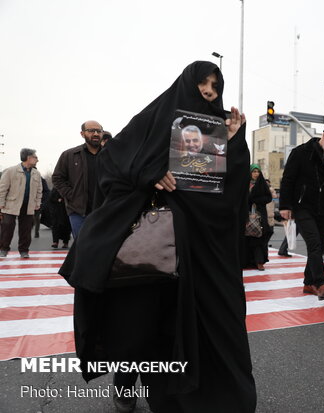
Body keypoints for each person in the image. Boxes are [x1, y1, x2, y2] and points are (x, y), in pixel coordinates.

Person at [59, 61, 256, 412]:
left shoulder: (220, 127)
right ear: (186, 83)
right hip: (158, 244)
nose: (209, 90)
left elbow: (231, 192)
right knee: (148, 325)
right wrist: (150, 172)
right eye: (202, 83)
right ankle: (129, 381)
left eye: (215, 84)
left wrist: (235, 142)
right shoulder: (155, 118)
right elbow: (113, 163)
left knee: (207, 324)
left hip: (205, 251)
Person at [279, 124, 324, 299]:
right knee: (314, 244)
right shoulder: (301, 152)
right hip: (302, 207)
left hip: (323, 209)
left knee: (319, 246)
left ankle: (308, 283)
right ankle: (320, 283)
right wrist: (285, 206)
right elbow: (288, 179)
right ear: (323, 136)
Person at [52, 120, 104, 238]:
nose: (96, 134)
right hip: (79, 211)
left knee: (104, 248)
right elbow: (57, 178)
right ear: (82, 134)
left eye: (99, 131)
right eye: (91, 131)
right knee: (81, 247)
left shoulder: (110, 154)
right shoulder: (69, 155)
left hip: (105, 210)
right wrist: (72, 195)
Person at [0, 148, 43, 258]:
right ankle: (4, 248)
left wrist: (37, 202)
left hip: (28, 205)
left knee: (26, 229)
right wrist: (1, 203)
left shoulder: (36, 173)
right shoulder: (11, 171)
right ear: (28, 158)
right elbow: (2, 189)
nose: (37, 160)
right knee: (7, 226)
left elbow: (39, 190)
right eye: (35, 157)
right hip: (11, 205)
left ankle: (24, 250)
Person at [246, 164, 273, 271]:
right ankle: (248, 261)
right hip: (246, 214)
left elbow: (268, 197)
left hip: (260, 215)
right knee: (247, 237)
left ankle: (259, 261)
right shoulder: (245, 184)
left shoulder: (262, 184)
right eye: (254, 171)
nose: (256, 174)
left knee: (258, 238)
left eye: (258, 172)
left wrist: (256, 200)